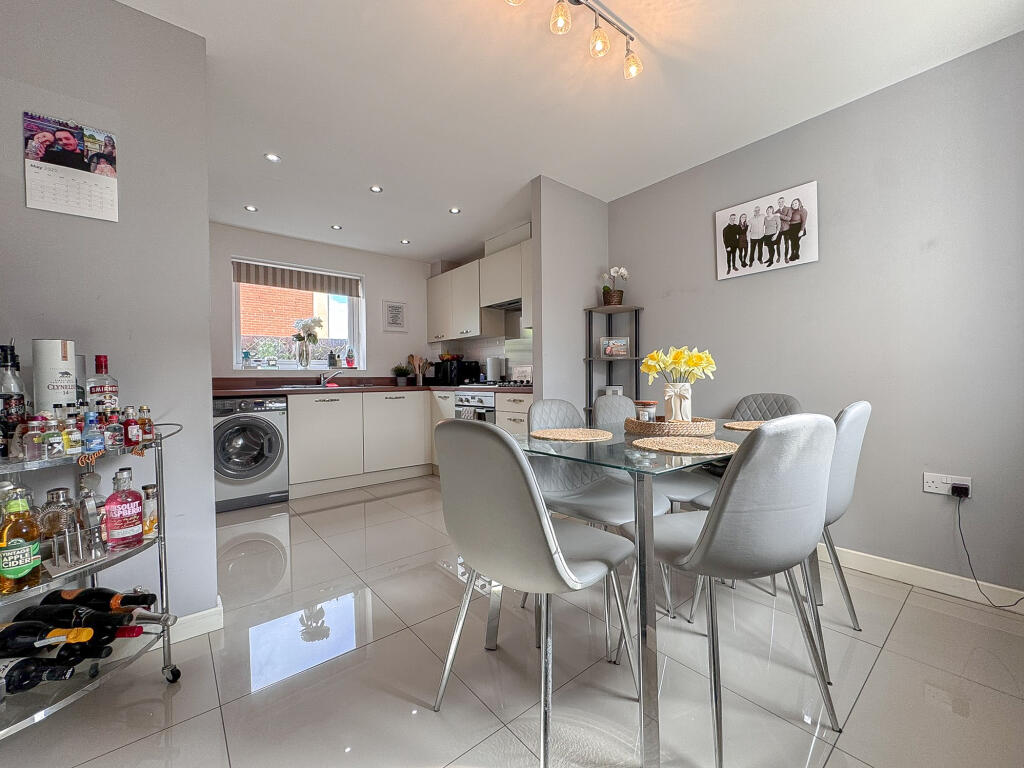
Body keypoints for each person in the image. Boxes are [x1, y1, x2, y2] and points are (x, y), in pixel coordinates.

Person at [776, 196, 793, 262]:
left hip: (787, 229)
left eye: (782, 201)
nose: (781, 203)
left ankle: (786, 257)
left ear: (784, 202)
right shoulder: (776, 211)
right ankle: (778, 257)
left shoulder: (788, 209)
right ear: (778, 203)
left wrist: (780, 216)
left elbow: (789, 218)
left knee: (787, 244)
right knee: (777, 244)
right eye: (779, 202)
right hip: (779, 230)